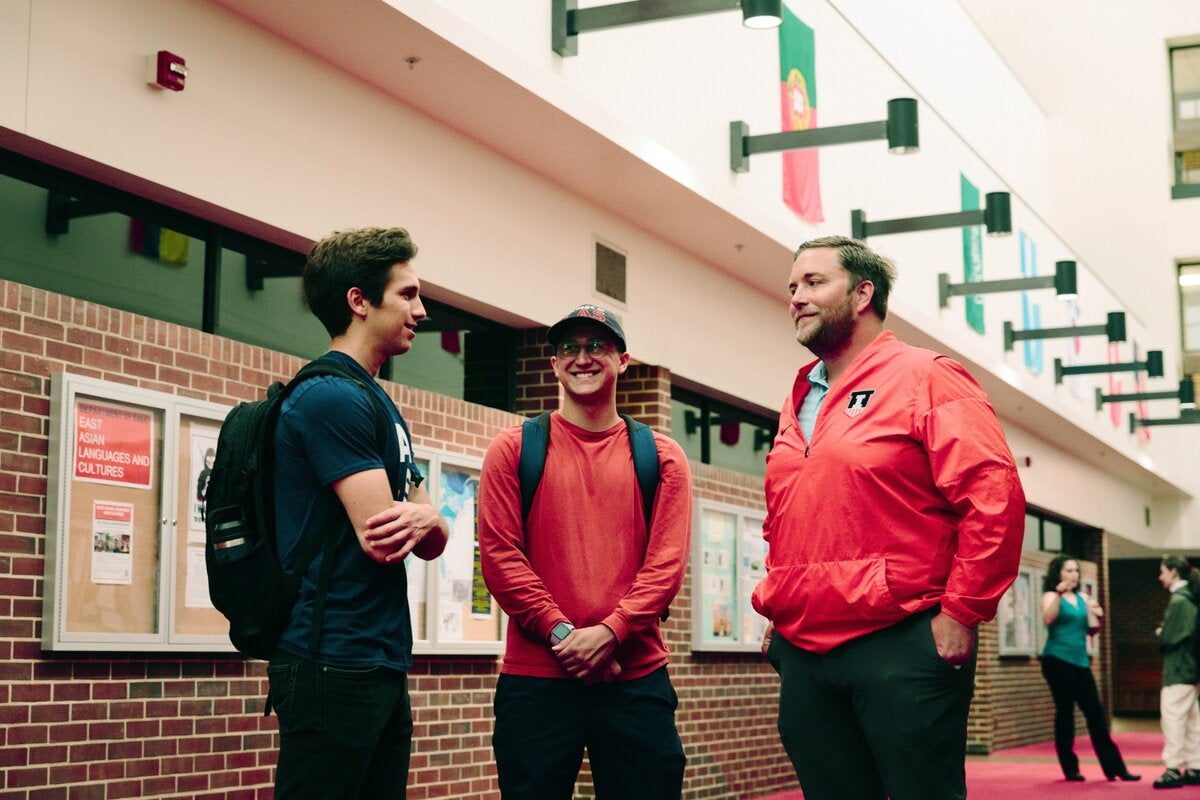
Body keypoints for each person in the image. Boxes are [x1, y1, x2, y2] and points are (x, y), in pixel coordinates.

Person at [751, 235, 1026, 800]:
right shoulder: (801, 396)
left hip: (902, 638)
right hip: (805, 652)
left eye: (813, 282)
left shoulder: (928, 376)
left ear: (862, 293)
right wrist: (778, 607)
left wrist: (960, 615)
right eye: (792, 287)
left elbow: (992, 497)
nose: (797, 297)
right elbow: (784, 517)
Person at [478, 304, 692, 800]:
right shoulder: (513, 449)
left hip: (636, 680)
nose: (583, 357)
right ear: (553, 364)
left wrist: (612, 632)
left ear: (623, 360)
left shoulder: (661, 455)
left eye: (597, 345)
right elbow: (500, 557)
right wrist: (565, 635)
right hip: (537, 683)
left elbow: (665, 567)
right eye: (569, 347)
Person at [267, 227, 450, 799]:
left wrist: (429, 517)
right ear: (358, 300)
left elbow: (432, 532)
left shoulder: (377, 401)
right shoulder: (332, 397)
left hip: (376, 657)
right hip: (332, 658)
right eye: (408, 294)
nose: (421, 310)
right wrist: (424, 516)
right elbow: (387, 537)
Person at [1039, 553, 1139, 782]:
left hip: (1080, 661)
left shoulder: (1084, 598)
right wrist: (1059, 594)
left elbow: (1092, 631)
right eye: (1069, 571)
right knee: (1065, 713)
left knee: (1095, 714)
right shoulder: (1051, 596)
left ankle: (1115, 768)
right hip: (1057, 659)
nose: (1073, 575)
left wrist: (1098, 618)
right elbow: (1048, 619)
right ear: (1058, 573)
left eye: (1076, 571)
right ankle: (1070, 768)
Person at [1153, 555, 1200, 788]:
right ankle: (1194, 766)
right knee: (1192, 719)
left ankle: (1173, 768)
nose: (1160, 577)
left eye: (1163, 572)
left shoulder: (1179, 601)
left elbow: (1168, 639)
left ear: (1174, 572)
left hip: (1178, 667)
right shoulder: (1192, 598)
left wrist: (1160, 632)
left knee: (1173, 718)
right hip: (1191, 667)